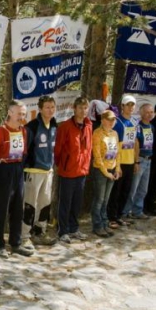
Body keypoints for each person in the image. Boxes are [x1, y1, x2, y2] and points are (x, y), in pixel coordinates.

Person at [0, 100, 32, 257]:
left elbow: (23, 151)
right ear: (10, 112)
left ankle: (16, 242)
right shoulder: (0, 131)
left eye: (23, 114)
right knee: (1, 208)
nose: (22, 116)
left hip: (18, 169)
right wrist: (0, 172)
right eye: (19, 113)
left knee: (17, 208)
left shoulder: (23, 131)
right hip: (3, 169)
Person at [54, 97, 93, 243]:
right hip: (68, 171)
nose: (83, 111)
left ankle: (74, 228)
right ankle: (62, 231)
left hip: (82, 171)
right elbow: (58, 149)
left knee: (77, 203)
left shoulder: (89, 125)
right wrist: (62, 164)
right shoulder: (65, 126)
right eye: (80, 108)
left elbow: (89, 149)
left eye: (85, 108)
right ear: (74, 109)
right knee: (65, 202)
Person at [22, 95, 58, 248]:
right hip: (33, 170)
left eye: (52, 107)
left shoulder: (54, 125)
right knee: (30, 204)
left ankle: (39, 231)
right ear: (40, 109)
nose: (50, 110)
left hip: (48, 171)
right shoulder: (32, 126)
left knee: (45, 203)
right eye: (47, 107)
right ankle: (24, 236)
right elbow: (24, 149)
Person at [107, 95, 137, 228]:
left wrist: (136, 161)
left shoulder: (135, 122)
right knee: (116, 191)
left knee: (126, 190)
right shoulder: (118, 122)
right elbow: (113, 143)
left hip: (130, 161)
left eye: (132, 105)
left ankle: (119, 215)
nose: (130, 107)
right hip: (119, 162)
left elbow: (135, 143)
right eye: (128, 105)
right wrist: (115, 164)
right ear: (123, 106)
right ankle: (111, 216)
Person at [91, 110, 122, 237]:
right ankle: (97, 225)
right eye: (109, 119)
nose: (111, 122)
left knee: (106, 200)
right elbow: (97, 156)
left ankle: (104, 223)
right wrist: (105, 172)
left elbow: (117, 153)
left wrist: (117, 169)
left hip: (112, 169)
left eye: (113, 120)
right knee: (99, 199)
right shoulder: (97, 134)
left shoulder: (115, 133)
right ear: (102, 120)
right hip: (100, 170)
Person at [123, 102, 154, 219]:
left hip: (148, 160)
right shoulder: (137, 126)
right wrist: (136, 161)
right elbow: (135, 143)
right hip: (140, 159)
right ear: (141, 113)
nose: (149, 114)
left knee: (143, 189)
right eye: (146, 112)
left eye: (151, 112)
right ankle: (125, 212)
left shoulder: (152, 127)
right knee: (133, 188)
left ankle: (137, 211)